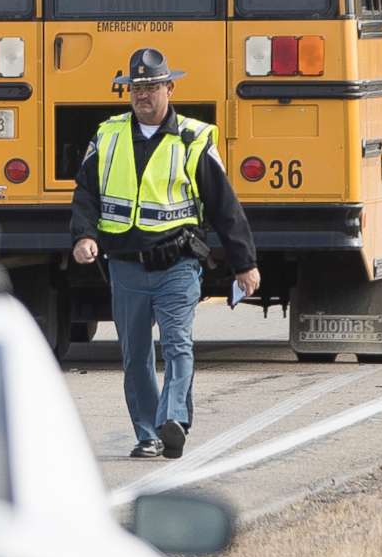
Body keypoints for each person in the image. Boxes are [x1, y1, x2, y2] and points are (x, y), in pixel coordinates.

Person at [67, 48, 259, 461]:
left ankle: (173, 420)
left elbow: (225, 205)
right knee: (135, 356)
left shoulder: (194, 138)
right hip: (125, 265)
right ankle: (149, 433)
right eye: (136, 88)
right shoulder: (108, 135)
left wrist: (245, 264)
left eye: (152, 87)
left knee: (177, 346)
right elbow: (86, 193)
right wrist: (84, 235)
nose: (144, 95)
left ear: (170, 88)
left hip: (178, 264)